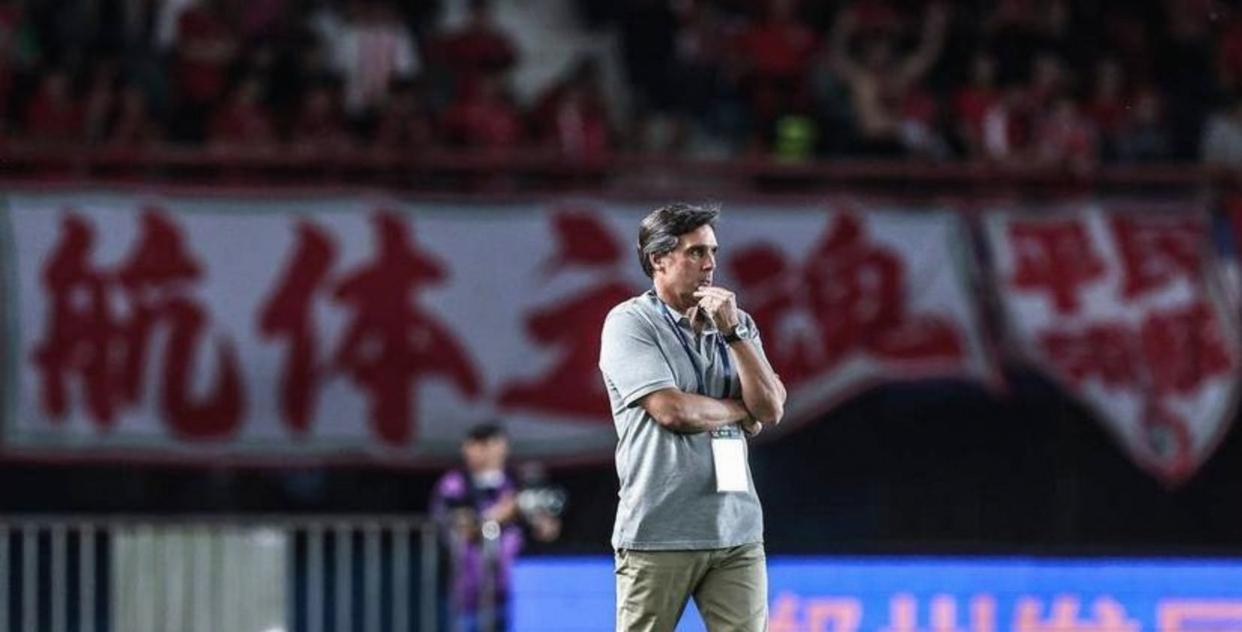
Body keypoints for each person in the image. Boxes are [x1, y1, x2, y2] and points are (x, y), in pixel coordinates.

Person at [598, 203, 787, 631]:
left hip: (737, 531)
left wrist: (733, 334)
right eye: (696, 252)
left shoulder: (736, 323)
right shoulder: (630, 323)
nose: (710, 264)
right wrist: (741, 411)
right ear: (658, 259)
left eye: (713, 252)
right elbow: (672, 411)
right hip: (660, 530)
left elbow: (771, 408)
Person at [429, 422, 560, 632]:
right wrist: (500, 515)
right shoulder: (455, 483)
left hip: (515, 590)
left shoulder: (517, 480)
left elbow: (549, 531)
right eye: (472, 445)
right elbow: (462, 530)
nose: (472, 451)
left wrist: (539, 519)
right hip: (466, 592)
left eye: (486, 444)